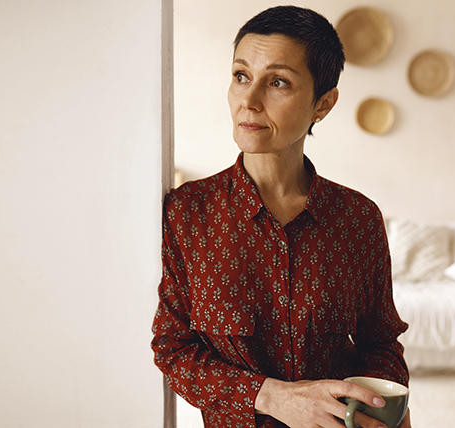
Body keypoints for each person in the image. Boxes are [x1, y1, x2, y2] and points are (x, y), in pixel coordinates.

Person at [151, 5, 412, 428]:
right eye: (240, 76)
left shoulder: (357, 219)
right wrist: (273, 397)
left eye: (277, 82)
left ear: (322, 104)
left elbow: (380, 344)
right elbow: (172, 348)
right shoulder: (186, 213)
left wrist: (382, 408)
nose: (248, 101)